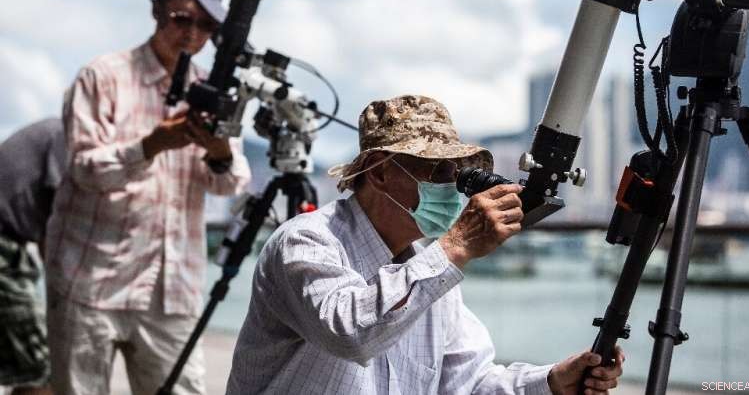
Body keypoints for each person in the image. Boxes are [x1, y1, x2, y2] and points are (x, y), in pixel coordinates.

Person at [226, 95, 623, 394]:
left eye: (458, 171)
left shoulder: (430, 271)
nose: (453, 185)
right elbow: (349, 332)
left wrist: (553, 381)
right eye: (438, 169)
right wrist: (454, 247)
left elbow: (469, 384)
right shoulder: (307, 240)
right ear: (381, 172)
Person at [45, 0, 252, 395]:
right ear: (156, 10)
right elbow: (84, 169)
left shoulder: (212, 92)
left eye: (206, 25)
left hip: (171, 290)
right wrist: (152, 144)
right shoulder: (102, 77)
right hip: (90, 286)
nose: (193, 33)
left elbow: (232, 182)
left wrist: (217, 154)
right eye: (182, 19)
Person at [0, 118, 66, 395]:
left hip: (10, 244)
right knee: (43, 370)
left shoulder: (55, 130)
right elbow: (52, 238)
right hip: (4, 248)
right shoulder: (67, 136)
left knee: (29, 368)